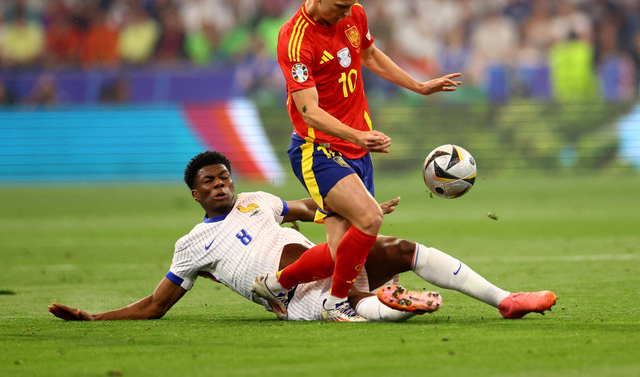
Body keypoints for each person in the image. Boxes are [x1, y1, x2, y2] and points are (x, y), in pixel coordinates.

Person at [48, 151, 557, 323]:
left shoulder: (257, 199)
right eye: (210, 182)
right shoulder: (191, 246)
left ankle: (505, 299)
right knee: (348, 292)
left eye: (225, 176)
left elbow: (311, 205)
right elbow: (155, 306)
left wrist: (360, 207)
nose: (222, 184)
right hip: (298, 299)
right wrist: (95, 317)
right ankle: (386, 303)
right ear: (195, 196)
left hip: (321, 268)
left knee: (399, 249)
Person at [261, 0, 463, 321]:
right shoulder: (294, 39)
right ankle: (334, 304)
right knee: (370, 220)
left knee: (344, 253)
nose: (345, 13)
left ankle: (274, 286)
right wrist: (359, 134)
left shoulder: (354, 14)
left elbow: (368, 54)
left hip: (357, 149)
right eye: (339, 5)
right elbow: (309, 110)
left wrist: (418, 85)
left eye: (350, 5)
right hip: (317, 148)